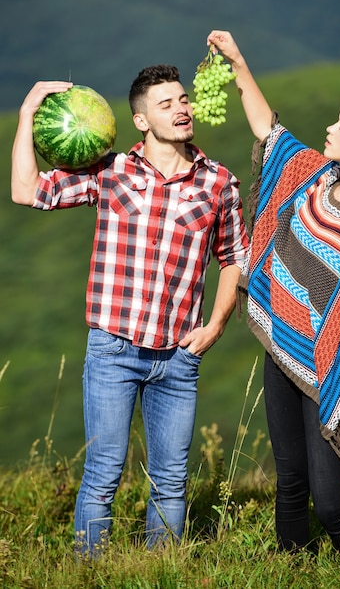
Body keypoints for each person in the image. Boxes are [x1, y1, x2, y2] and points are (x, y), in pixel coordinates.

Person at [11, 66, 249, 555]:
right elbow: (26, 190)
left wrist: (215, 327)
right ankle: (91, 571)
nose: (182, 109)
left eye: (183, 100)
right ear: (141, 120)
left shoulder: (219, 182)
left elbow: (234, 260)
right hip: (112, 350)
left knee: (171, 479)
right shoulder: (111, 171)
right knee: (102, 475)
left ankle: (159, 573)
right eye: (166, 104)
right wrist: (27, 112)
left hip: (178, 357)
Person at [207, 30, 340, 552]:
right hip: (284, 347)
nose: (330, 127)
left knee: (329, 501)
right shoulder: (313, 177)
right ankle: (290, 568)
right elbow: (268, 128)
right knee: (289, 481)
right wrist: (237, 62)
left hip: (332, 369)